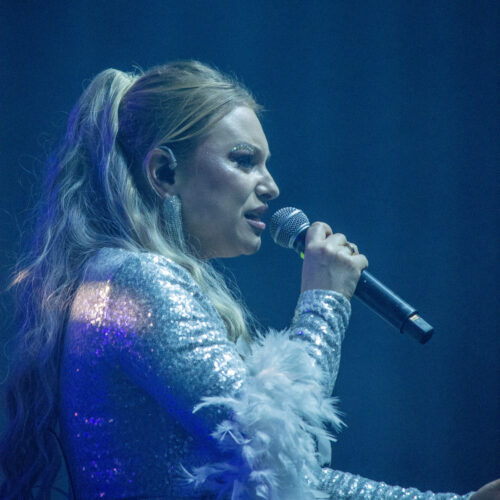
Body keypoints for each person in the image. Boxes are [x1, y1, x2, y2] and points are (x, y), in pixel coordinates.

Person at [1, 60, 498, 499]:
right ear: (164, 173)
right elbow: (283, 451)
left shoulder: (114, 276)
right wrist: (324, 299)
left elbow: (278, 480)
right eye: (243, 160)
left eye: (265, 164)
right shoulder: (139, 279)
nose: (272, 186)